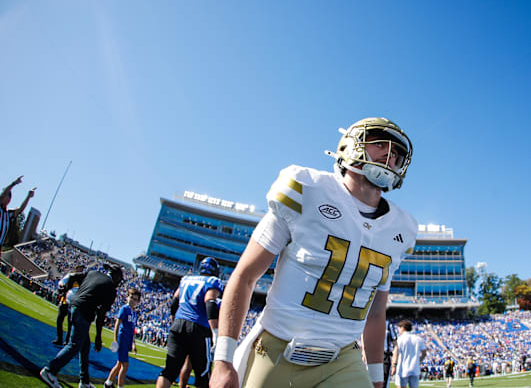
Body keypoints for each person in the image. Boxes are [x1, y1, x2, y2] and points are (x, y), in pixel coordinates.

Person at [210, 117, 417, 388]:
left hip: (344, 358)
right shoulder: (306, 189)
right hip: (277, 351)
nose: (390, 156)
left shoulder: (401, 229)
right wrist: (223, 361)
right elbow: (246, 276)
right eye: (380, 144)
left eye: (398, 154)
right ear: (351, 146)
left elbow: (376, 313)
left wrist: (377, 379)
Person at [40, 264, 123, 388]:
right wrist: (98, 337)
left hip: (73, 306)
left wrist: (65, 290)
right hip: (84, 312)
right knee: (74, 345)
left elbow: (73, 276)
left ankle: (84, 381)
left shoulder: (93, 273)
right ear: (116, 278)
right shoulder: (111, 288)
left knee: (85, 346)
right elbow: (101, 315)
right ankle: (50, 371)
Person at [156, 257, 223, 388]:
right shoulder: (213, 281)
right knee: (203, 376)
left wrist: (174, 321)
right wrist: (215, 332)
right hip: (199, 329)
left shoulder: (186, 279)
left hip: (178, 324)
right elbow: (210, 301)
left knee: (169, 372)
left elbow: (174, 302)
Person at [104, 288, 141, 388]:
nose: (132, 301)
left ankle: (108, 383)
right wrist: (115, 339)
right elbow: (117, 324)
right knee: (125, 365)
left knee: (119, 364)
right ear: (127, 297)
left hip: (128, 340)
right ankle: (120, 386)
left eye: (135, 299)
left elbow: (133, 329)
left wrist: (133, 343)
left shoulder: (134, 313)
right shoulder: (124, 309)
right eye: (131, 298)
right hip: (122, 338)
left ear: (138, 302)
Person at [54, 265, 87, 345]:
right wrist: (62, 287)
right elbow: (61, 282)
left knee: (70, 323)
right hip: (65, 300)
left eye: (82, 269)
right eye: (80, 268)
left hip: (74, 303)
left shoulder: (84, 280)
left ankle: (67, 341)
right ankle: (59, 338)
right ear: (76, 268)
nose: (81, 270)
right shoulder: (70, 276)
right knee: (59, 320)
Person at [1, 175, 35, 248]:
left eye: (6, 195)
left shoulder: (8, 214)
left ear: (9, 199)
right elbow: (3, 195)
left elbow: (20, 210)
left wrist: (28, 197)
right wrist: (14, 183)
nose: (3, 195)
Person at [391, 319, 426, 388]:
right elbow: (424, 353)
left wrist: (394, 366)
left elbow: (395, 354)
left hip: (402, 369)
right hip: (414, 369)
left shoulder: (399, 339)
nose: (398, 330)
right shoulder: (418, 339)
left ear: (402, 328)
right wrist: (419, 360)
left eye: (399, 328)